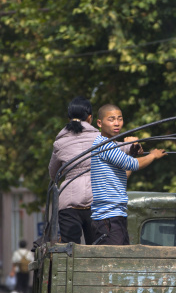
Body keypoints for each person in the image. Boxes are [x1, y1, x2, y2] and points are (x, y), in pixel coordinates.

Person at [49, 97, 140, 244]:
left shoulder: (59, 143)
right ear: (90, 118)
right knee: (97, 248)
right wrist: (133, 145)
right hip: (96, 203)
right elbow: (124, 149)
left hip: (68, 204)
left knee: (69, 251)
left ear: (69, 118)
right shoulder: (101, 139)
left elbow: (54, 175)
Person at [90, 104, 165, 245]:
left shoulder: (111, 146)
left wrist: (131, 153)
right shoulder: (104, 145)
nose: (117, 123)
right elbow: (133, 164)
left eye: (120, 119)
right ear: (99, 123)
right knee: (114, 261)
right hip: (108, 217)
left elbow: (125, 173)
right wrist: (153, 155)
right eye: (111, 119)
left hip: (117, 215)